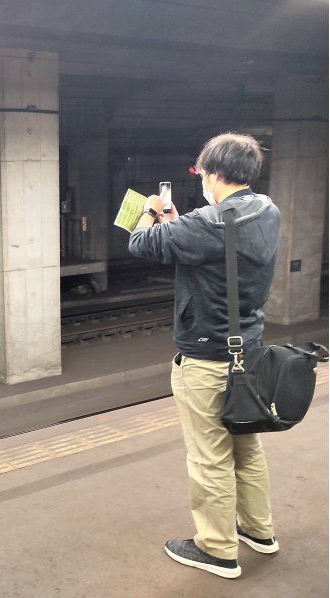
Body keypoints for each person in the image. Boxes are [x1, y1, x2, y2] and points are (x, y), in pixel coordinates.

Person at [128, 133, 281, 579]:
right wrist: (178, 221)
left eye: (202, 175)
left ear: (213, 174)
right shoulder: (266, 209)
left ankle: (216, 549)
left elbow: (143, 245)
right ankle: (260, 532)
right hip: (249, 353)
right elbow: (210, 239)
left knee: (210, 457)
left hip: (208, 361)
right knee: (246, 448)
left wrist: (146, 217)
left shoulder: (206, 221)